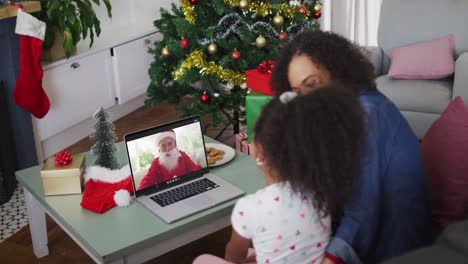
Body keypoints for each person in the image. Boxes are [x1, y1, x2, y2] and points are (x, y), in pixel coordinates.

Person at [270, 30, 432, 264]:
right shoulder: (344, 107)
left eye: (312, 84)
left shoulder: (366, 115)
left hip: (393, 244)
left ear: (337, 72)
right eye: (298, 92)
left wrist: (330, 258)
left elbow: (363, 211)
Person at [193, 85, 366, 264]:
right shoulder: (322, 194)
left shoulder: (248, 208)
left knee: (202, 259)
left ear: (259, 153)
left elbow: (233, 256)